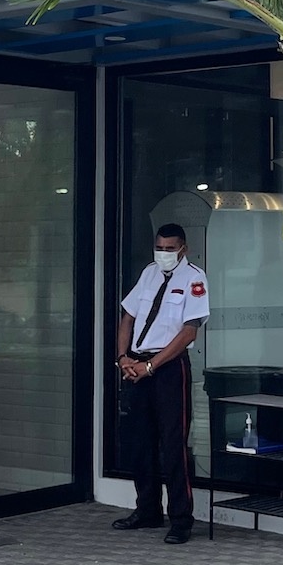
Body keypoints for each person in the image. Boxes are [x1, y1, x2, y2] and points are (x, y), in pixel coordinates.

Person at [114, 222, 209, 544]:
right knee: (139, 443)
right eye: (160, 248)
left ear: (183, 248)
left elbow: (189, 331)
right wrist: (123, 358)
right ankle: (147, 510)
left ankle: (181, 519)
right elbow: (128, 315)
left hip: (168, 369)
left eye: (170, 249)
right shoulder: (149, 273)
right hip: (136, 365)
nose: (164, 254)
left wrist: (151, 366)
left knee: (173, 446)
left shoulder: (194, 278)